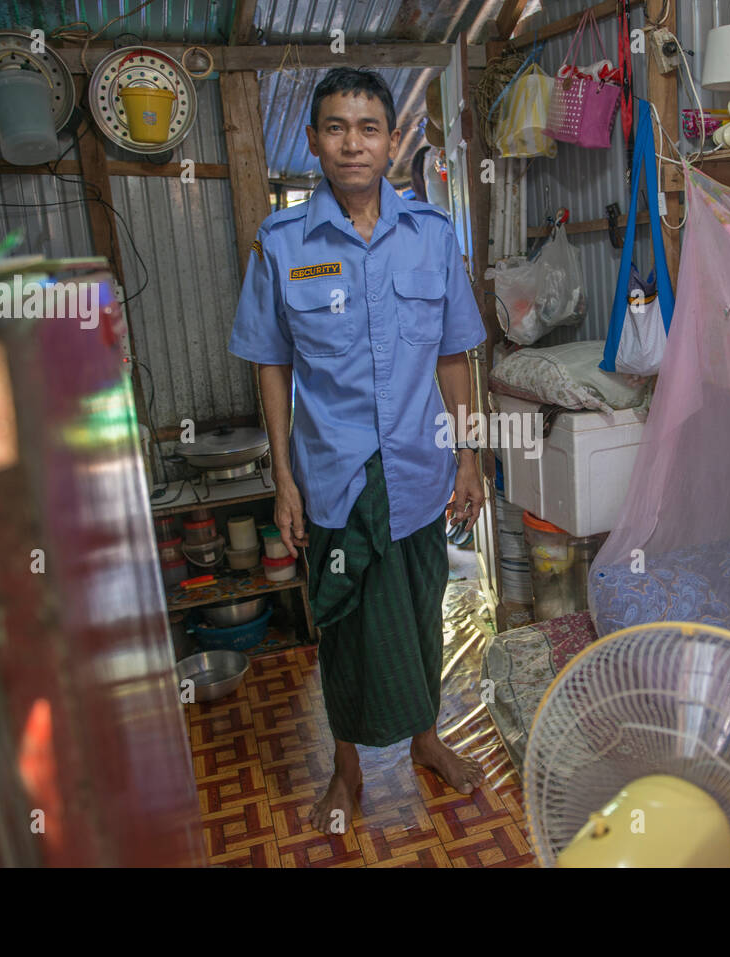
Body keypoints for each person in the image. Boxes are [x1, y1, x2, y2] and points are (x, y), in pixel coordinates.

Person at [228, 67, 487, 835]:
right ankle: (346, 769)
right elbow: (270, 365)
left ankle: (427, 737)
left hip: (417, 469)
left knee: (418, 608)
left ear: (392, 140)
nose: (353, 142)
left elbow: (453, 356)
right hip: (335, 478)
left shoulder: (432, 237)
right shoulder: (282, 244)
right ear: (314, 141)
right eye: (336, 127)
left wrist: (467, 454)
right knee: (341, 622)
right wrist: (283, 477)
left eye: (368, 127)